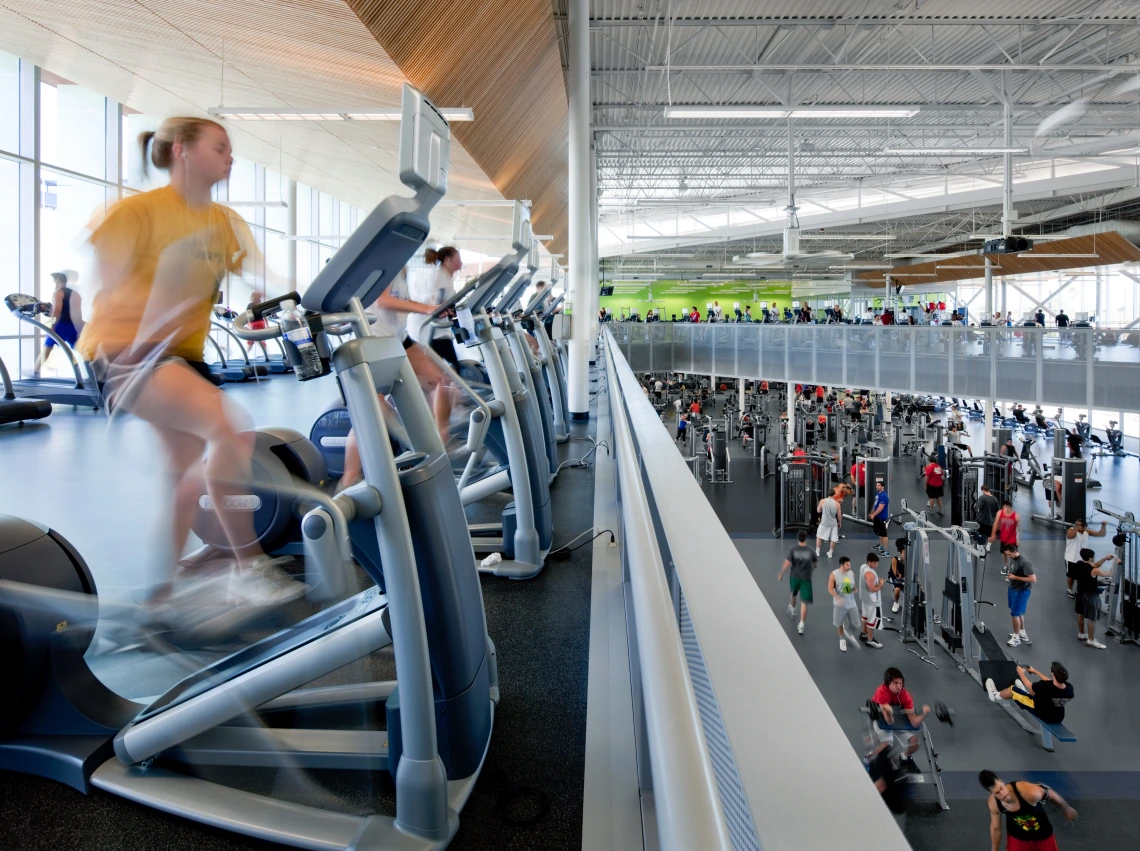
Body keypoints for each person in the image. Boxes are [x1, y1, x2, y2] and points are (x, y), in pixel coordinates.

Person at [77, 116, 304, 606]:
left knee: (186, 469)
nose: (230, 157)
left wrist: (282, 309)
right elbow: (108, 282)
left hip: (183, 356)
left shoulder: (225, 222)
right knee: (232, 430)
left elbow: (262, 282)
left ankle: (163, 590)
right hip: (127, 352)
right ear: (182, 150)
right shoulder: (136, 212)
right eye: (220, 147)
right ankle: (248, 566)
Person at [978, 770, 1077, 851]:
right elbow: (996, 829)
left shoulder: (1027, 791)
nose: (1003, 794)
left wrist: (1066, 807)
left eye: (1001, 788)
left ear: (1001, 781)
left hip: (1043, 834)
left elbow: (1050, 793)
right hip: (1017, 837)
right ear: (991, 794)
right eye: (997, 793)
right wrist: (994, 850)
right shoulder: (994, 803)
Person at [409, 246, 462, 366]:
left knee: (444, 370)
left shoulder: (445, 277)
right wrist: (443, 308)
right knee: (452, 369)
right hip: (432, 332)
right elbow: (433, 301)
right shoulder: (439, 276)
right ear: (447, 260)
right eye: (457, 259)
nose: (460, 263)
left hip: (439, 332)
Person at [986, 661, 1073, 727]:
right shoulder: (1069, 688)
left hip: (1042, 713)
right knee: (1039, 693)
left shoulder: (1044, 686)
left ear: (1053, 674)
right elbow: (1050, 681)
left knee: (1013, 689)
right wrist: (1035, 671)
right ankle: (1023, 692)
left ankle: (995, 696)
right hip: (1058, 717)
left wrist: (1020, 672)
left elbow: (1029, 685)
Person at [871, 667, 931, 761]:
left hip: (898, 718)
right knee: (886, 745)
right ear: (888, 683)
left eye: (901, 684)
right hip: (881, 719)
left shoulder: (905, 696)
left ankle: (904, 756)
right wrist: (889, 713)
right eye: (896, 683)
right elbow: (889, 722)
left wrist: (924, 714)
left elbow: (914, 723)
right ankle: (870, 759)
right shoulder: (881, 691)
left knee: (914, 744)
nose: (899, 686)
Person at [33, 270, 84, 375]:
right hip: (74, 325)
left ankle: (34, 372)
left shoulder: (58, 293)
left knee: (47, 347)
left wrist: (52, 325)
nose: (53, 284)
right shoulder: (75, 294)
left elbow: (57, 310)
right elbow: (77, 312)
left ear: (57, 280)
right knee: (82, 349)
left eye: (53, 281)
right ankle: (97, 371)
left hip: (62, 325)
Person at [1072, 547, 1115, 649]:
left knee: (1081, 614)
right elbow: (1110, 574)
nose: (1095, 558)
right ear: (1091, 558)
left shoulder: (1079, 563)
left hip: (1080, 593)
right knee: (1092, 618)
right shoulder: (1094, 570)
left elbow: (1094, 565)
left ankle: (1081, 634)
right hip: (1091, 595)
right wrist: (1115, 563)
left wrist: (1105, 558)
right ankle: (1091, 640)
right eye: (1094, 557)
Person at [778, 530, 818, 636]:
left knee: (793, 594)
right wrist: (813, 566)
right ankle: (801, 624)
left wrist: (781, 573)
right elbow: (814, 564)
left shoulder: (793, 549)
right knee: (804, 602)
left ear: (798, 539)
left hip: (794, 577)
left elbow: (787, 562)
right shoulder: (811, 551)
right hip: (806, 579)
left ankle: (793, 607)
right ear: (806, 538)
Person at [1064, 518, 1107, 598]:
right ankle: (1069, 589)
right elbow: (1071, 536)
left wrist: (1103, 525)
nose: (1084, 528)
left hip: (1083, 559)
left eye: (1085, 526)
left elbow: (1101, 534)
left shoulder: (1086, 531)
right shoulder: (1071, 530)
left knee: (1081, 576)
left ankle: (1078, 591)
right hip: (1071, 558)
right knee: (1071, 575)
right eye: (1082, 526)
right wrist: (1076, 526)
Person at [1005, 544, 1036, 647]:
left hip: (1021, 591)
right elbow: (1013, 570)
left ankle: (1016, 637)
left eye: (1010, 554)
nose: (1009, 556)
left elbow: (1033, 579)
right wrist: (1010, 575)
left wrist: (1015, 577)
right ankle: (1022, 632)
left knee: (1015, 614)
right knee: (1019, 613)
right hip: (1012, 588)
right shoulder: (1012, 558)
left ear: (1015, 551)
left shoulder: (1024, 562)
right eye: (1007, 555)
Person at [829, 556, 861, 652]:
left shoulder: (851, 573)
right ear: (842, 565)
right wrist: (837, 597)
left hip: (851, 602)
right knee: (839, 622)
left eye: (850, 565)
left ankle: (847, 630)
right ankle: (842, 639)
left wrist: (854, 588)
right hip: (840, 604)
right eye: (847, 565)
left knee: (856, 623)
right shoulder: (834, 575)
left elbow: (850, 585)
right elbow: (830, 589)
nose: (849, 567)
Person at [859, 553, 885, 648]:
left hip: (865, 598)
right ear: (869, 562)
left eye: (877, 563)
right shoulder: (870, 574)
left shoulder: (863, 567)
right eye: (874, 563)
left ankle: (864, 633)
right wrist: (881, 584)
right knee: (872, 620)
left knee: (865, 616)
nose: (876, 565)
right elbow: (872, 589)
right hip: (872, 601)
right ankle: (870, 640)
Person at [991, 500, 1020, 571]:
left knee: (1012, 554)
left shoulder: (1016, 516)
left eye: (1007, 507)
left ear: (1010, 507)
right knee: (1004, 553)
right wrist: (993, 535)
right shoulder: (1000, 513)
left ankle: (1012, 569)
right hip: (1004, 538)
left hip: (1012, 539)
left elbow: (1018, 528)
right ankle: (1005, 566)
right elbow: (996, 524)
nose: (1005, 509)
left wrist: (1018, 539)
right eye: (1004, 507)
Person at [815, 487, 842, 559]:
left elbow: (818, 510)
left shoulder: (822, 501)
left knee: (819, 536)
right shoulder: (837, 504)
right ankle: (830, 553)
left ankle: (817, 551)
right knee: (833, 538)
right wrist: (839, 523)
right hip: (833, 523)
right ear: (834, 495)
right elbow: (839, 516)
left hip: (824, 522)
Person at [870, 479, 890, 556]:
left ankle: (886, 551)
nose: (876, 486)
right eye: (876, 485)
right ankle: (881, 546)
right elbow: (876, 504)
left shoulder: (884, 496)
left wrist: (874, 514)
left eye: (878, 485)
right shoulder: (878, 494)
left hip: (881, 517)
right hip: (878, 517)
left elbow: (880, 508)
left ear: (882, 487)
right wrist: (872, 512)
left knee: (884, 534)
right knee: (880, 533)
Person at [889, 537, 907, 613]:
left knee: (918, 588)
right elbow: (895, 573)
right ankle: (896, 602)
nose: (906, 555)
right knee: (897, 589)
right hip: (895, 578)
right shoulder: (895, 559)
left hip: (905, 577)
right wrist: (900, 576)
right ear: (900, 552)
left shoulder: (910, 560)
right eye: (904, 553)